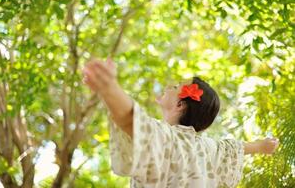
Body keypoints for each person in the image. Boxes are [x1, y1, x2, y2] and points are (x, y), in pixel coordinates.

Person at [82, 57, 279, 188]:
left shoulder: (166, 137)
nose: (169, 86)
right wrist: (262, 146)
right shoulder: (207, 147)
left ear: (180, 104)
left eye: (176, 86)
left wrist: (109, 88)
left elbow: (129, 120)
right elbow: (234, 148)